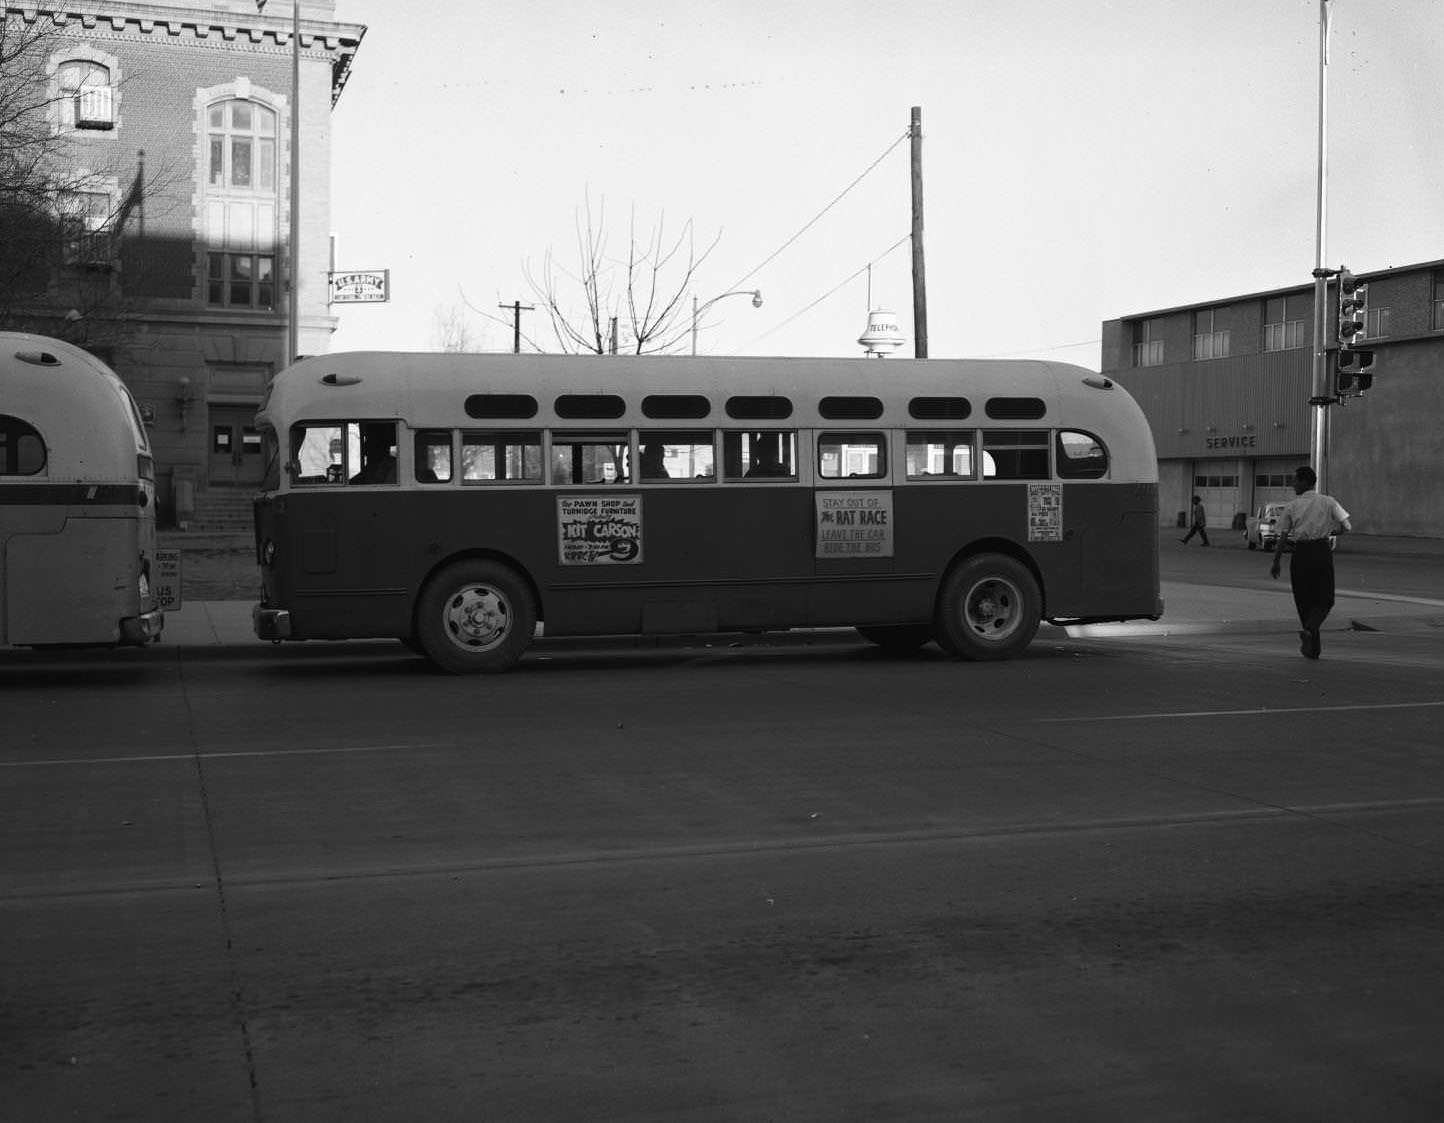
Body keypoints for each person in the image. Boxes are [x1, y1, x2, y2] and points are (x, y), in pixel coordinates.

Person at [1270, 465, 1351, 659]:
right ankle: (1312, 643)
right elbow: (1347, 525)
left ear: (1305, 482)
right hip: (1322, 551)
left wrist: (1276, 561)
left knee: (1304, 599)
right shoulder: (1328, 501)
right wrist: (1330, 532)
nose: (1292, 485)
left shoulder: (1292, 506)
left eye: (1295, 480)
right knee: (1325, 598)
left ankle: (1311, 640)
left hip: (1301, 554)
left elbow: (1282, 536)